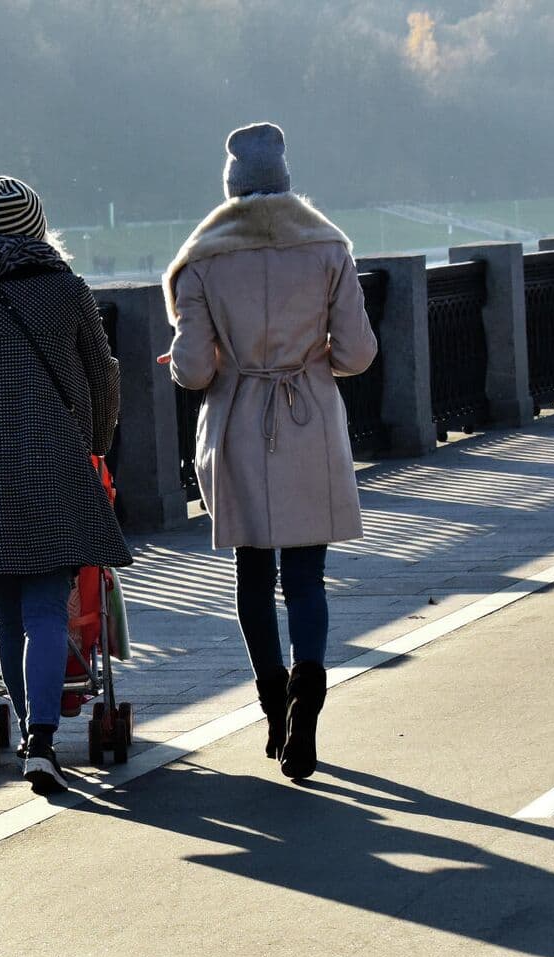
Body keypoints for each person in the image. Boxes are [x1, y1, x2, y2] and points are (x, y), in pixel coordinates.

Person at [165, 123, 377, 780]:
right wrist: (310, 361)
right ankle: (307, 709)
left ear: (231, 187)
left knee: (253, 579)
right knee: (306, 580)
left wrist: (196, 362)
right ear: (285, 181)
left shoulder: (204, 258)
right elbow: (359, 353)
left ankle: (273, 706)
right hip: (307, 419)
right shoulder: (327, 248)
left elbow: (195, 371)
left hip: (238, 424)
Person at [0, 176, 131, 796]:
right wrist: (93, 440)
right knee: (45, 607)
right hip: (55, 461)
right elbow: (102, 375)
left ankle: (26, 737)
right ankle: (41, 739)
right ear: (36, 225)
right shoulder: (67, 290)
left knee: (7, 612)